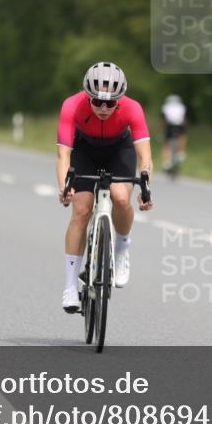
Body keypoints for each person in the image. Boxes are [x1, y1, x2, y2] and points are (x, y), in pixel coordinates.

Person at [56, 62, 154, 313]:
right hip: (84, 150)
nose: (102, 108)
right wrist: (64, 187)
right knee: (81, 210)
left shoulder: (133, 108)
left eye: (110, 104)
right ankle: (69, 286)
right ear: (87, 96)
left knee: (121, 198)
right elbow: (63, 155)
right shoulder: (72, 105)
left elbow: (145, 158)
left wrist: (145, 188)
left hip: (118, 150)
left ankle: (121, 248)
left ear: (119, 101)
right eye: (96, 101)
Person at [160, 94, 188, 170]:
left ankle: (166, 162)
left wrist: (162, 129)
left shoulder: (165, 107)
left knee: (166, 144)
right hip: (180, 126)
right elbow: (184, 118)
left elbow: (164, 119)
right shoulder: (182, 107)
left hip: (169, 126)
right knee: (182, 137)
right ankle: (181, 153)